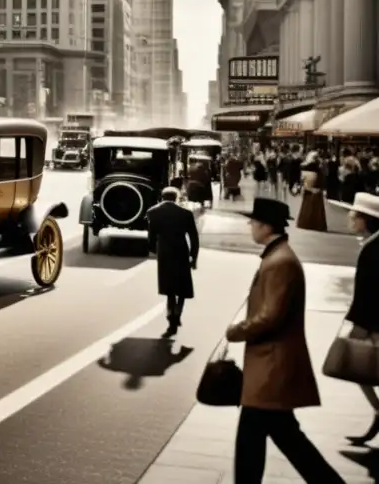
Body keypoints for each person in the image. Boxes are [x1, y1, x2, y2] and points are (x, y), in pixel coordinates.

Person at [225, 197, 343, 483]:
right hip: (269, 367)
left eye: (253, 222)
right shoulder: (277, 256)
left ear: (266, 226)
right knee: (272, 438)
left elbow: (270, 316)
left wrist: (237, 331)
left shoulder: (279, 262)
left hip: (271, 367)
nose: (250, 226)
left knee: (268, 439)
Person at [333, 192, 379, 445]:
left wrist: (359, 324)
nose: (350, 219)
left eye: (354, 216)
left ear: (366, 219)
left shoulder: (373, 250)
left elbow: (369, 292)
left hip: (370, 321)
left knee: (360, 368)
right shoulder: (372, 244)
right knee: (364, 370)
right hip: (370, 320)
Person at [147, 186, 199, 337]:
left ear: (162, 197)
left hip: (164, 253)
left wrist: (154, 251)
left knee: (169, 289)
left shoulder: (153, 212)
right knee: (182, 288)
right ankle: (177, 313)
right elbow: (194, 238)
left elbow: (151, 236)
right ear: (176, 198)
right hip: (181, 252)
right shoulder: (186, 214)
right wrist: (193, 257)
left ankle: (170, 316)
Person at [297, 151, 328, 232]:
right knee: (316, 209)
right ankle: (316, 224)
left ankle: (306, 223)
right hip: (316, 190)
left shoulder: (304, 166)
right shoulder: (319, 168)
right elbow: (322, 179)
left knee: (306, 207)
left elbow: (301, 179)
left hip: (307, 189)